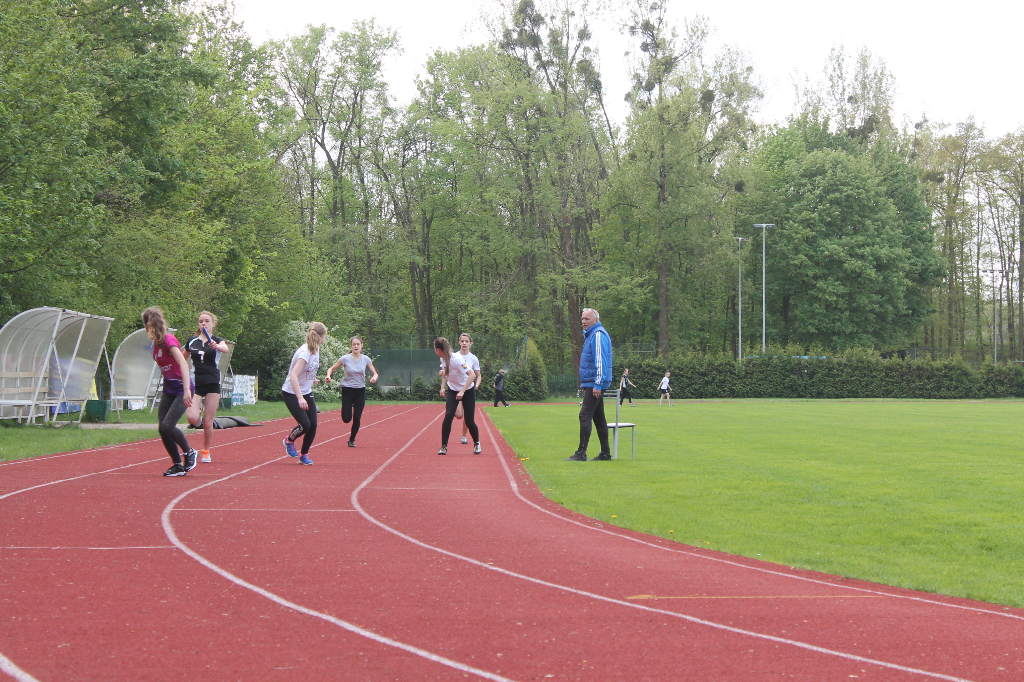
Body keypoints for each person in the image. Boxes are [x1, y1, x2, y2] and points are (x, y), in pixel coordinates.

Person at [142, 307, 199, 477]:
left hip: (182, 388)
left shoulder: (169, 340)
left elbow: (183, 363)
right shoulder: (156, 343)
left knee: (168, 425)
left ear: (150, 325)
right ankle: (177, 465)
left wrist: (187, 390)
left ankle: (189, 452)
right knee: (162, 428)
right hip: (169, 388)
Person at [565, 308, 612, 462]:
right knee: (599, 418)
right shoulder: (592, 334)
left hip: (594, 382)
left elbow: (600, 361)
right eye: (583, 319)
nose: (584, 322)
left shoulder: (597, 335)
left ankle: (581, 453)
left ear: (596, 320)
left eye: (587, 319)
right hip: (592, 381)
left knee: (584, 415)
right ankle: (605, 453)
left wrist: (597, 384)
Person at [184, 311, 230, 463]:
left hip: (212, 383)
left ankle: (205, 451)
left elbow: (225, 349)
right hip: (196, 383)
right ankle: (198, 415)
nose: (203, 323)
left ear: (213, 324)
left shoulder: (217, 340)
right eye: (201, 321)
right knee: (192, 418)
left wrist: (216, 346)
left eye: (207, 321)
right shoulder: (192, 341)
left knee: (208, 422)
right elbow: (181, 357)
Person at [282, 322, 327, 465]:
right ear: (320, 336)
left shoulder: (316, 349)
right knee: (305, 425)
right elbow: (293, 376)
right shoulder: (305, 353)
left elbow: (307, 370)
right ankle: (289, 440)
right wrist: (300, 398)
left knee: (313, 425)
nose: (325, 339)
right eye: (325, 336)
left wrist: (312, 378)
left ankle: (304, 454)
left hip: (306, 391)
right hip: (291, 392)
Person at [325, 336, 378, 447]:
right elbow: (331, 368)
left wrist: (374, 378)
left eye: (358, 344)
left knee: (357, 417)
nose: (356, 346)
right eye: (354, 344)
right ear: (351, 346)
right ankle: (346, 410)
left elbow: (375, 373)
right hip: (347, 390)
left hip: (360, 390)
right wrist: (328, 376)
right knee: (346, 418)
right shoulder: (345, 358)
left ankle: (352, 439)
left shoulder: (366, 359)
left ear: (361, 345)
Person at [435, 336, 481, 455]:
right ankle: (444, 446)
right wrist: (443, 374)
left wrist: (462, 391)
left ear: (438, 350)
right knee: (449, 415)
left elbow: (472, 375)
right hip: (453, 389)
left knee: (469, 420)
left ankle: (476, 443)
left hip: (467, 390)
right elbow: (448, 371)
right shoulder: (443, 359)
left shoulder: (457, 359)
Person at [455, 333, 481, 444]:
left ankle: (464, 436)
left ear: (470, 343)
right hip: (456, 388)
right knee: (459, 415)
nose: (464, 343)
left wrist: (477, 385)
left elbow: (478, 375)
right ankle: (452, 407)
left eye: (466, 341)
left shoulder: (473, 358)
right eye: (462, 341)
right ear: (459, 342)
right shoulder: (455, 356)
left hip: (469, 389)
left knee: (468, 415)